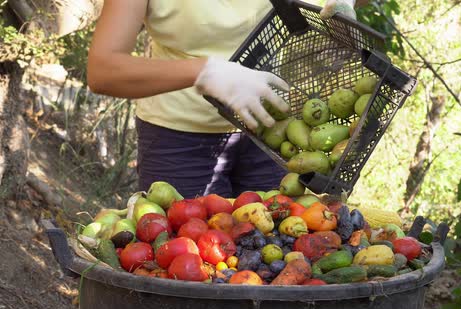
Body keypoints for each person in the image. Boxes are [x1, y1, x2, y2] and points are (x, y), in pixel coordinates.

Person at [87, 0, 366, 198]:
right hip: (179, 142)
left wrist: (344, 3)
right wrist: (203, 72)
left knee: (274, 259)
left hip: (275, 133)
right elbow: (103, 70)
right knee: (190, 265)